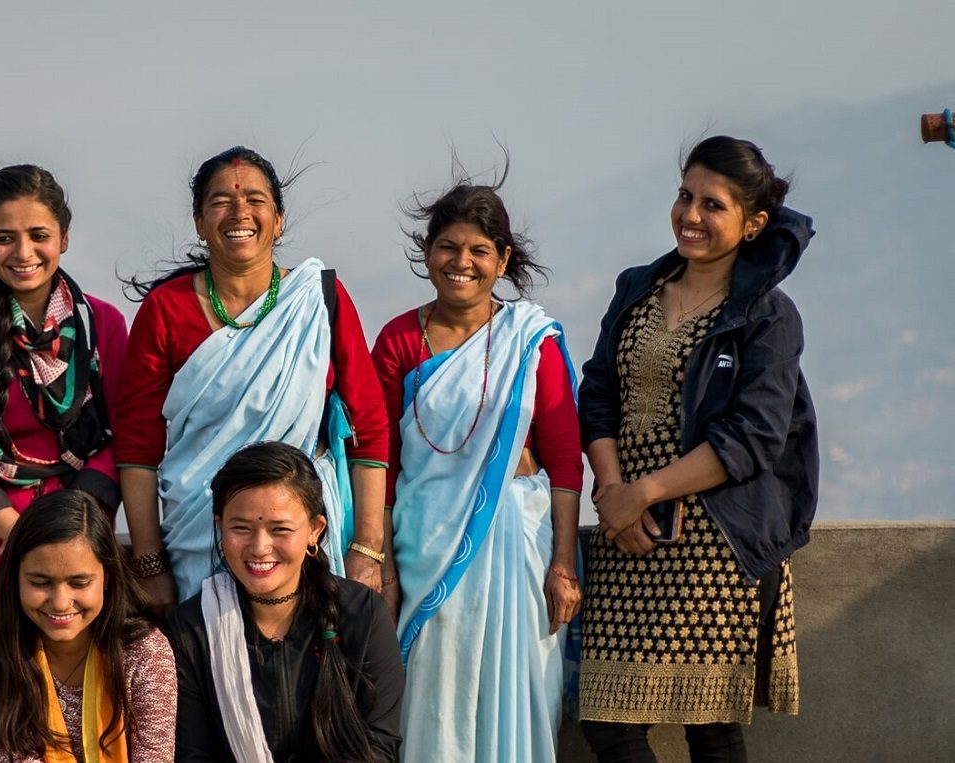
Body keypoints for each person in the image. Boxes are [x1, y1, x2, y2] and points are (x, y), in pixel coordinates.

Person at [577, 136, 817, 761]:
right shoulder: (637, 288)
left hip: (712, 542)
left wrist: (645, 493)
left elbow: (754, 436)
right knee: (608, 722)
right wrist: (612, 495)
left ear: (753, 222)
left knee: (709, 725)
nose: (691, 215)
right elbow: (599, 392)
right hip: (625, 537)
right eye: (686, 196)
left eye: (714, 205)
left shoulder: (767, 314)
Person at [116, 146, 391, 611]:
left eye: (256, 200)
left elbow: (371, 431)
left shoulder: (319, 299)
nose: (239, 211)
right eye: (220, 201)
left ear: (279, 220)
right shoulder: (166, 309)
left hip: (298, 537)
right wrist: (149, 562)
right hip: (199, 533)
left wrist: (366, 549)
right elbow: (137, 449)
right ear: (200, 222)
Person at [371, 178, 583, 761]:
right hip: (425, 543)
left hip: (518, 548)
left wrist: (562, 565)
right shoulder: (397, 341)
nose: (461, 263)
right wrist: (385, 566)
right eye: (447, 247)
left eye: (479, 251)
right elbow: (379, 463)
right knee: (435, 688)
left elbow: (565, 460)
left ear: (503, 259)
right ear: (427, 252)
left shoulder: (529, 339)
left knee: (518, 690)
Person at [0, 164, 128, 761]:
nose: (23, 251)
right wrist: (22, 536)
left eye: (38, 234)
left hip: (72, 550)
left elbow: (122, 436)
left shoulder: (104, 327)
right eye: (4, 237)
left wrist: (67, 533)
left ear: (64, 236)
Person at [169, 441, 404, 762]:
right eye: (241, 528)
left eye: (280, 529)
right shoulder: (192, 630)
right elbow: (193, 754)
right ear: (219, 526)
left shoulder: (362, 614)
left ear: (314, 530)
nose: (260, 547)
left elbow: (379, 744)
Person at [0, 490, 177, 762]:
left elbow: (154, 756)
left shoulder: (145, 652)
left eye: (79, 583)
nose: (60, 603)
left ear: (107, 578)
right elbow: (12, 754)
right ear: (14, 576)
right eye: (40, 582)